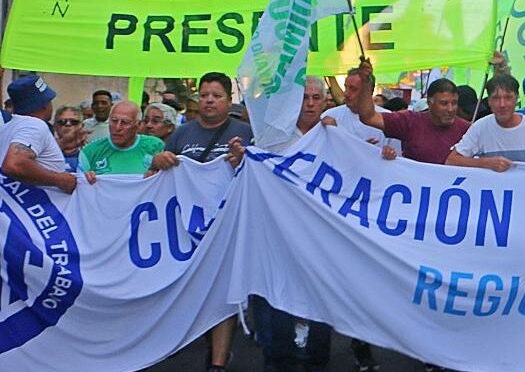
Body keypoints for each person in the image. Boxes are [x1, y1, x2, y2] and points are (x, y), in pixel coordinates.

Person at [149, 72, 251, 372]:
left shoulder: (245, 132)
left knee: (222, 293)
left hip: (229, 226)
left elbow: (259, 175)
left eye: (216, 95)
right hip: (188, 231)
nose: (208, 100)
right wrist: (158, 161)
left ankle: (217, 363)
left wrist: (242, 161)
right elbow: (157, 175)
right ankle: (205, 343)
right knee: (191, 290)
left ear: (228, 100)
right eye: (204, 94)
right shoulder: (182, 134)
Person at [250, 77, 335, 372]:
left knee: (321, 305)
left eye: (316, 98)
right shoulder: (273, 139)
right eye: (304, 97)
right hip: (280, 237)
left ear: (325, 102)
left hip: (322, 240)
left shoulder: (335, 137)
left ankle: (316, 362)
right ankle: (279, 360)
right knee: (278, 307)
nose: (310, 103)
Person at [354, 59, 469, 165]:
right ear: (429, 103)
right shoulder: (410, 122)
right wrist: (365, 83)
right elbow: (369, 117)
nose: (450, 109)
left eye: (454, 103)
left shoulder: (468, 130)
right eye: (444, 103)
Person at [446, 75, 525, 170]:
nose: (502, 104)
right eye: (496, 98)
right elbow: (451, 161)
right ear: (489, 101)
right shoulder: (480, 127)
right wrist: (485, 163)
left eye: (508, 98)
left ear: (516, 99)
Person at [0, 75, 80, 193]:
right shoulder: (35, 125)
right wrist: (60, 180)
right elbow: (15, 164)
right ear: (44, 105)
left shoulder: (6, 128)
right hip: (36, 205)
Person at [78, 101, 163, 175]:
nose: (118, 127)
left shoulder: (155, 146)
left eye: (125, 122)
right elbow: (79, 186)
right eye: (114, 121)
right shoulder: (91, 151)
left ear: (139, 125)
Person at [53, 105, 86, 173]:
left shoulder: (91, 151)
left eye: (74, 122)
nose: (68, 124)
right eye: (62, 122)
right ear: (55, 126)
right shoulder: (42, 151)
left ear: (82, 126)